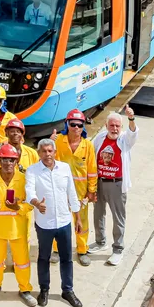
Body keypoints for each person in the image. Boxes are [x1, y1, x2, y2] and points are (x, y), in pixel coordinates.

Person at [26, 139, 82, 307]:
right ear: (39, 153)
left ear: (55, 152)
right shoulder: (32, 171)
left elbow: (71, 193)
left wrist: (77, 217)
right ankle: (44, 289)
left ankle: (68, 290)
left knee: (66, 258)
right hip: (45, 224)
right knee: (44, 257)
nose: (47, 154)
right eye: (44, 151)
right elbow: (29, 191)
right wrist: (36, 203)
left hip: (64, 220)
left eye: (50, 151)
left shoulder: (64, 168)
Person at [0, 145, 36, 307]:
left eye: (11, 160)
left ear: (16, 161)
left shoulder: (25, 178)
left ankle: (25, 289)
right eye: (5, 159)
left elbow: (31, 203)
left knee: (22, 261)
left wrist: (18, 208)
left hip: (18, 228)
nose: (8, 163)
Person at [90, 106, 138, 267]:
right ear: (106, 126)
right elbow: (91, 154)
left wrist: (131, 119)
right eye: (112, 125)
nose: (115, 128)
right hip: (100, 182)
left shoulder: (124, 139)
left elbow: (133, 133)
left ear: (121, 127)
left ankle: (118, 249)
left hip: (116, 184)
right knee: (98, 214)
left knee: (118, 218)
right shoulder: (100, 138)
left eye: (118, 126)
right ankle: (100, 241)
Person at [53, 109, 97, 266]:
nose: (76, 128)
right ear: (67, 124)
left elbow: (92, 170)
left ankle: (82, 250)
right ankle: (57, 249)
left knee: (82, 222)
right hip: (61, 191)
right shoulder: (58, 141)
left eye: (79, 125)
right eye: (73, 124)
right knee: (60, 221)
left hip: (81, 192)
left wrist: (91, 190)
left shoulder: (88, 146)